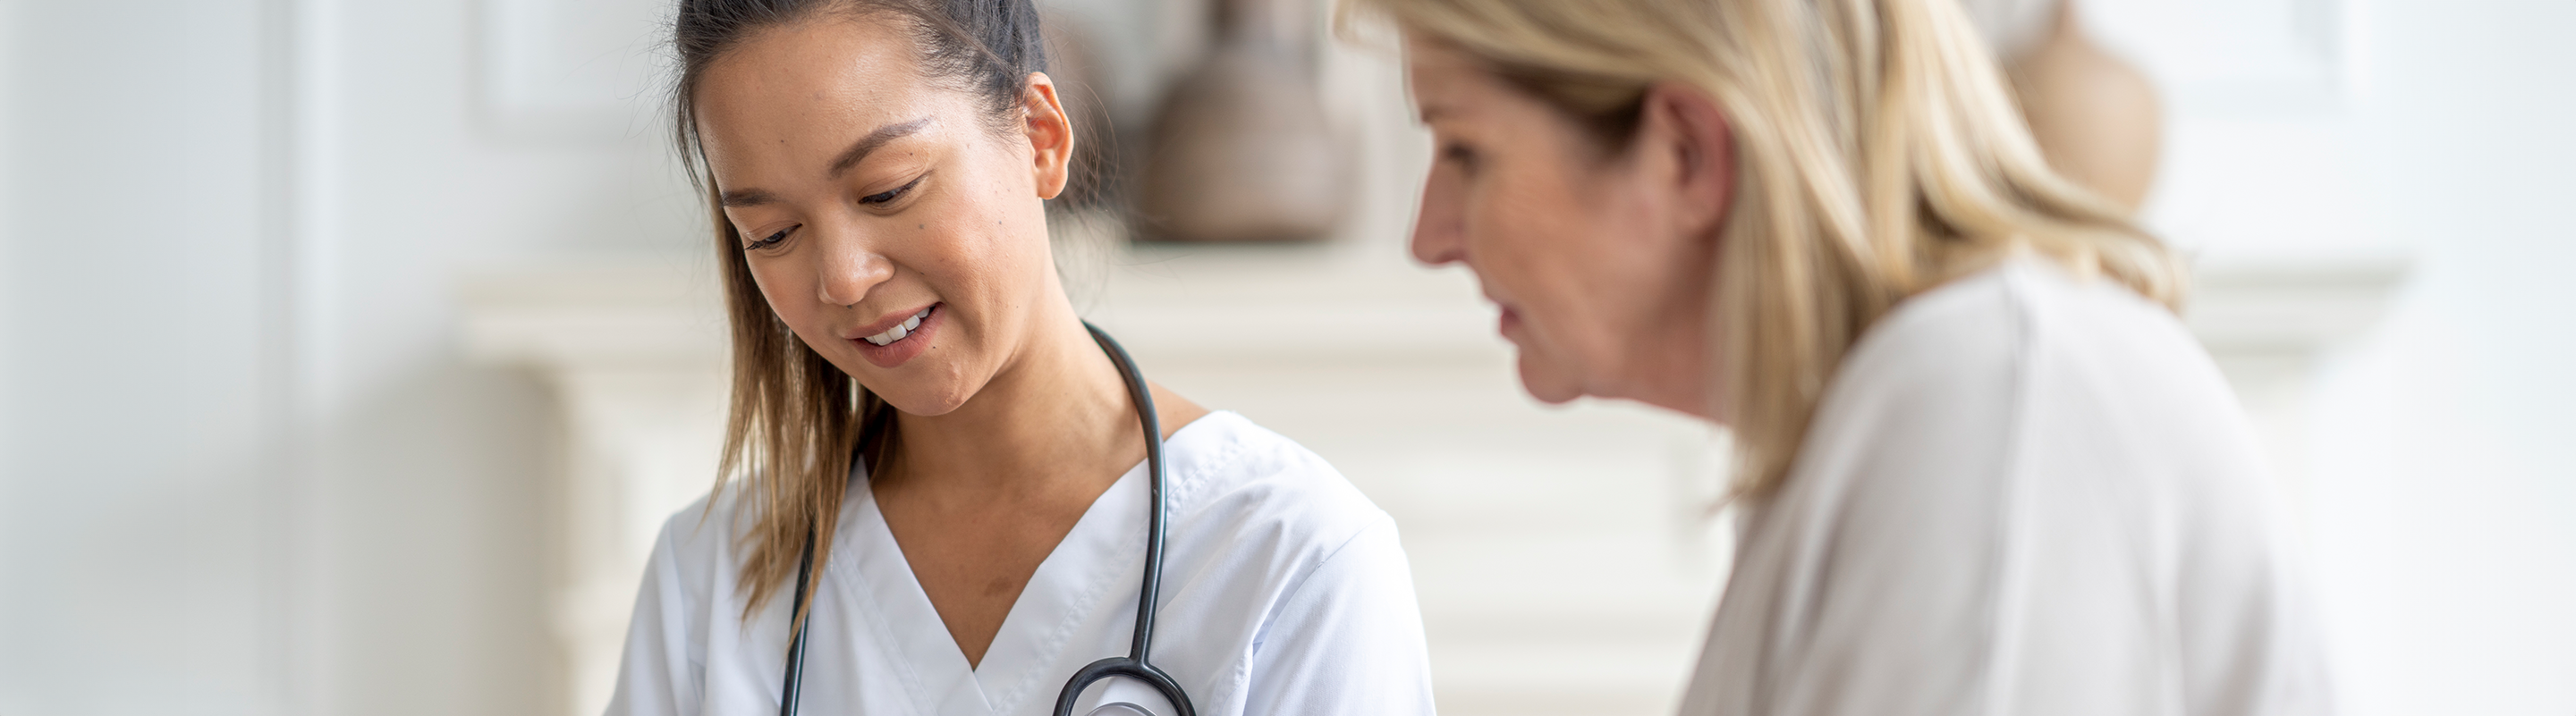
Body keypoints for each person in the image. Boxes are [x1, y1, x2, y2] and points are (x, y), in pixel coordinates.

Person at [1343, 0, 2334, 713]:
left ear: (1686, 150)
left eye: (1465, 151)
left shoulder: (1997, 397)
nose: (1429, 236)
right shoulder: (1886, 426)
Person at [605, 1, 1436, 714]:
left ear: (1039, 137)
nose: (842, 277)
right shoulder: (709, 578)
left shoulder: (1293, 559)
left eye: (888, 188)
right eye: (773, 233)